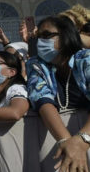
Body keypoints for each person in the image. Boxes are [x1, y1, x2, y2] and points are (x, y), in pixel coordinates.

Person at [27, 16, 90, 172]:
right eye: (38, 37)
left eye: (47, 35)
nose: (41, 41)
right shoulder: (35, 64)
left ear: (66, 35)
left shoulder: (86, 59)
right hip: (63, 143)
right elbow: (42, 99)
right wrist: (68, 143)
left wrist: (82, 140)